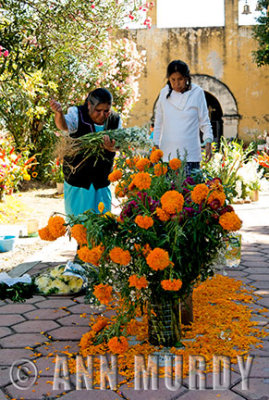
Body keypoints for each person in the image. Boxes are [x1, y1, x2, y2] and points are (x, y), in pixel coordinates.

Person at [50, 88, 122, 216]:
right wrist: (59, 113)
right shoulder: (77, 114)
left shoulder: (115, 120)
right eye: (98, 111)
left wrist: (113, 148)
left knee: (102, 223)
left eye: (106, 111)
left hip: (101, 182)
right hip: (79, 182)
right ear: (89, 105)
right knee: (79, 225)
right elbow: (64, 126)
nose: (102, 115)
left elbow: (120, 144)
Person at [153, 60, 213, 176]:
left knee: (189, 192)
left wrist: (208, 141)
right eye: (173, 80)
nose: (176, 84)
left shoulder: (197, 93)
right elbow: (159, 121)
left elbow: (204, 121)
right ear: (168, 79)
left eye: (180, 79)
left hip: (190, 155)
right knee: (168, 193)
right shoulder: (164, 93)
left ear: (186, 78)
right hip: (167, 155)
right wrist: (156, 144)